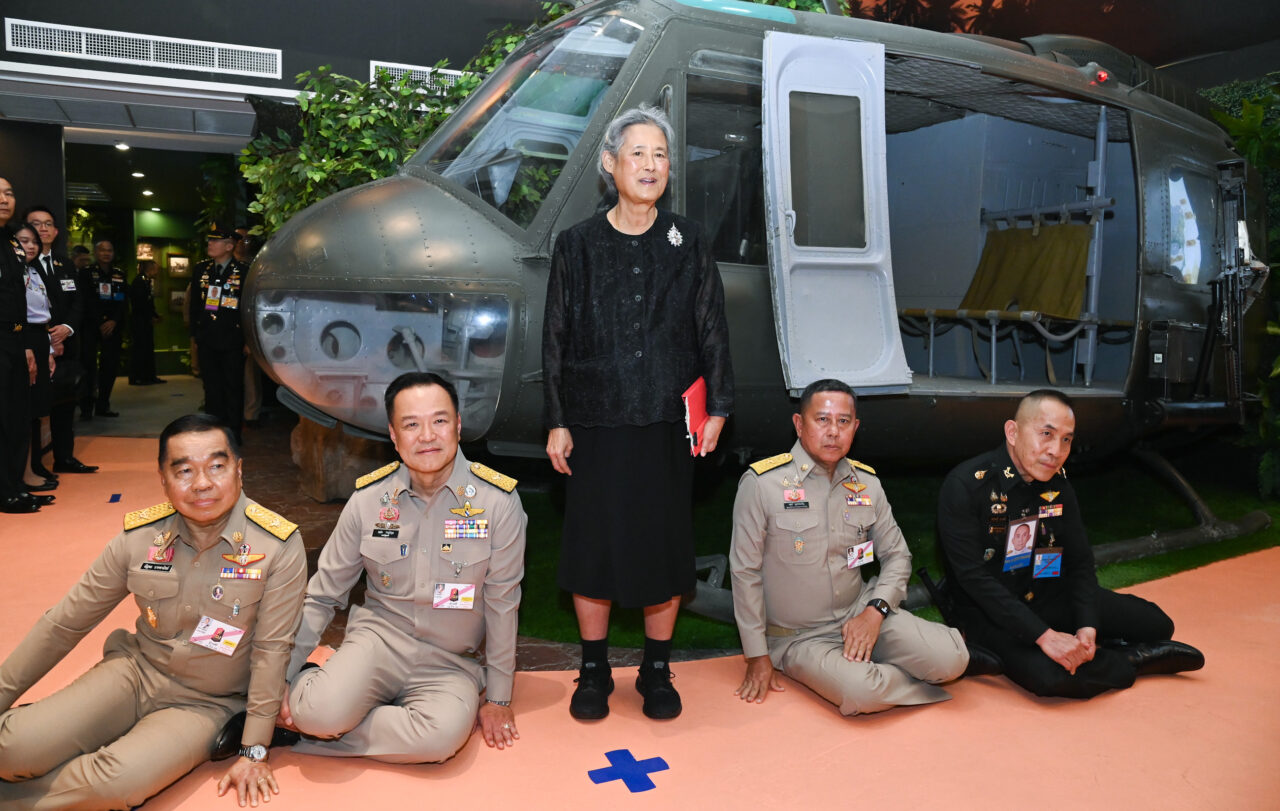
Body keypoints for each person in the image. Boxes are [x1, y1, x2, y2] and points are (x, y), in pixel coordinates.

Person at [0, 413, 308, 809]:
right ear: (163, 478)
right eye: (184, 471)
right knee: (14, 748)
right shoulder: (141, 537)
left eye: (216, 466)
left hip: (208, 702)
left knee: (112, 782)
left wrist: (254, 750)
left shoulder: (277, 546)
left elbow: (271, 651)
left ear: (238, 469)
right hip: (135, 671)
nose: (202, 483)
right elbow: (64, 623)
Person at [542, 105, 734, 721]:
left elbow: (712, 328)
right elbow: (555, 337)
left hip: (666, 423)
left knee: (662, 548)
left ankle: (656, 669)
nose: (651, 166)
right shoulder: (576, 244)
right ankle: (593, 669)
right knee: (593, 549)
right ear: (610, 163)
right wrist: (557, 419)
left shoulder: (688, 240)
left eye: (661, 155)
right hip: (594, 421)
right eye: (638, 154)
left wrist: (719, 408)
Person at [278, 372, 526, 763]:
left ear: (458, 426)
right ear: (394, 435)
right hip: (377, 644)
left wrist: (498, 698)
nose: (427, 436)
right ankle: (314, 703)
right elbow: (323, 594)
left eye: (439, 420)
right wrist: (285, 677)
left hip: (450, 662)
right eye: (411, 425)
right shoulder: (369, 499)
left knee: (440, 740)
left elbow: (502, 603)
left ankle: (312, 728)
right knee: (315, 711)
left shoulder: (497, 503)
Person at [937, 389, 1205, 699]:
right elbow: (973, 578)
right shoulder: (966, 485)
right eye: (1046, 434)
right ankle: (1133, 659)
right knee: (1049, 678)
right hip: (990, 611)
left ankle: (1095, 650)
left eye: (1066, 439)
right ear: (1013, 432)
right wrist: (1045, 637)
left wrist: (1087, 626)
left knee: (1158, 625)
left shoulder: (1058, 483)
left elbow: (1079, 561)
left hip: (1046, 592)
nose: (1056, 450)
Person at [730, 379, 969, 715]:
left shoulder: (866, 484)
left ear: (855, 428)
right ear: (799, 424)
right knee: (861, 691)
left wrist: (874, 612)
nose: (833, 431)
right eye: (822, 420)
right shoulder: (762, 485)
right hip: (798, 636)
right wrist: (757, 655)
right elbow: (744, 573)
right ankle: (877, 676)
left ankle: (874, 671)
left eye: (843, 421)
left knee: (953, 657)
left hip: (861, 614)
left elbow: (897, 556)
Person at [25, 206, 97, 475]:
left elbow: (78, 301)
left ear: (55, 232)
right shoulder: (21, 263)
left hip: (66, 344)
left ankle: (64, 457)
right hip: (36, 344)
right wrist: (46, 336)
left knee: (65, 402)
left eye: (47, 224)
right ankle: (33, 466)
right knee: (35, 406)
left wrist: (66, 328)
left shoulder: (64, 264)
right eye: (36, 224)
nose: (42, 229)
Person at [0, 177, 39, 514]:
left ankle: (14, 486)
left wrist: (25, 345)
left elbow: (18, 296)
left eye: (9, 193)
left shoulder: (12, 239)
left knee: (16, 416)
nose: (4, 199)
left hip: (14, 339)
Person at [189, 228, 248, 442]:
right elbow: (195, 305)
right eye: (210, 240)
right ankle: (214, 432)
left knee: (233, 386)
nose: (210, 244)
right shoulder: (201, 269)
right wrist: (195, 335)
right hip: (207, 337)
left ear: (229, 246)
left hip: (233, 338)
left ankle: (232, 434)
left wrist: (248, 340)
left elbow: (247, 308)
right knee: (211, 387)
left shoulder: (243, 271)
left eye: (216, 241)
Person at [14, 221, 58, 502]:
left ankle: (32, 466)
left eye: (33, 242)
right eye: (23, 241)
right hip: (23, 337)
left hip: (40, 338)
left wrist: (49, 349)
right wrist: (26, 345)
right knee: (24, 409)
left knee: (37, 408)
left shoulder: (34, 271)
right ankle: (24, 473)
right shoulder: (12, 272)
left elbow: (44, 312)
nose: (30, 246)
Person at [82, 240, 127, 419]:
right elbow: (86, 300)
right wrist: (101, 321)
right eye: (102, 250)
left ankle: (103, 405)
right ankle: (86, 407)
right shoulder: (86, 273)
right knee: (88, 366)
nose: (106, 253)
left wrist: (114, 320)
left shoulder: (119, 274)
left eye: (110, 250)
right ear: (96, 252)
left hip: (113, 327)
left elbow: (122, 301)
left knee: (110, 366)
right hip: (91, 326)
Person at [128, 259, 164, 385]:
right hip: (140, 321)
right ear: (150, 269)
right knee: (140, 348)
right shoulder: (139, 281)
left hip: (145, 320)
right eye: (156, 269)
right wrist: (151, 316)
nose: (157, 271)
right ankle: (137, 377)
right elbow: (140, 303)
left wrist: (155, 315)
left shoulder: (147, 281)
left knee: (148, 348)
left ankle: (149, 376)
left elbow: (149, 303)